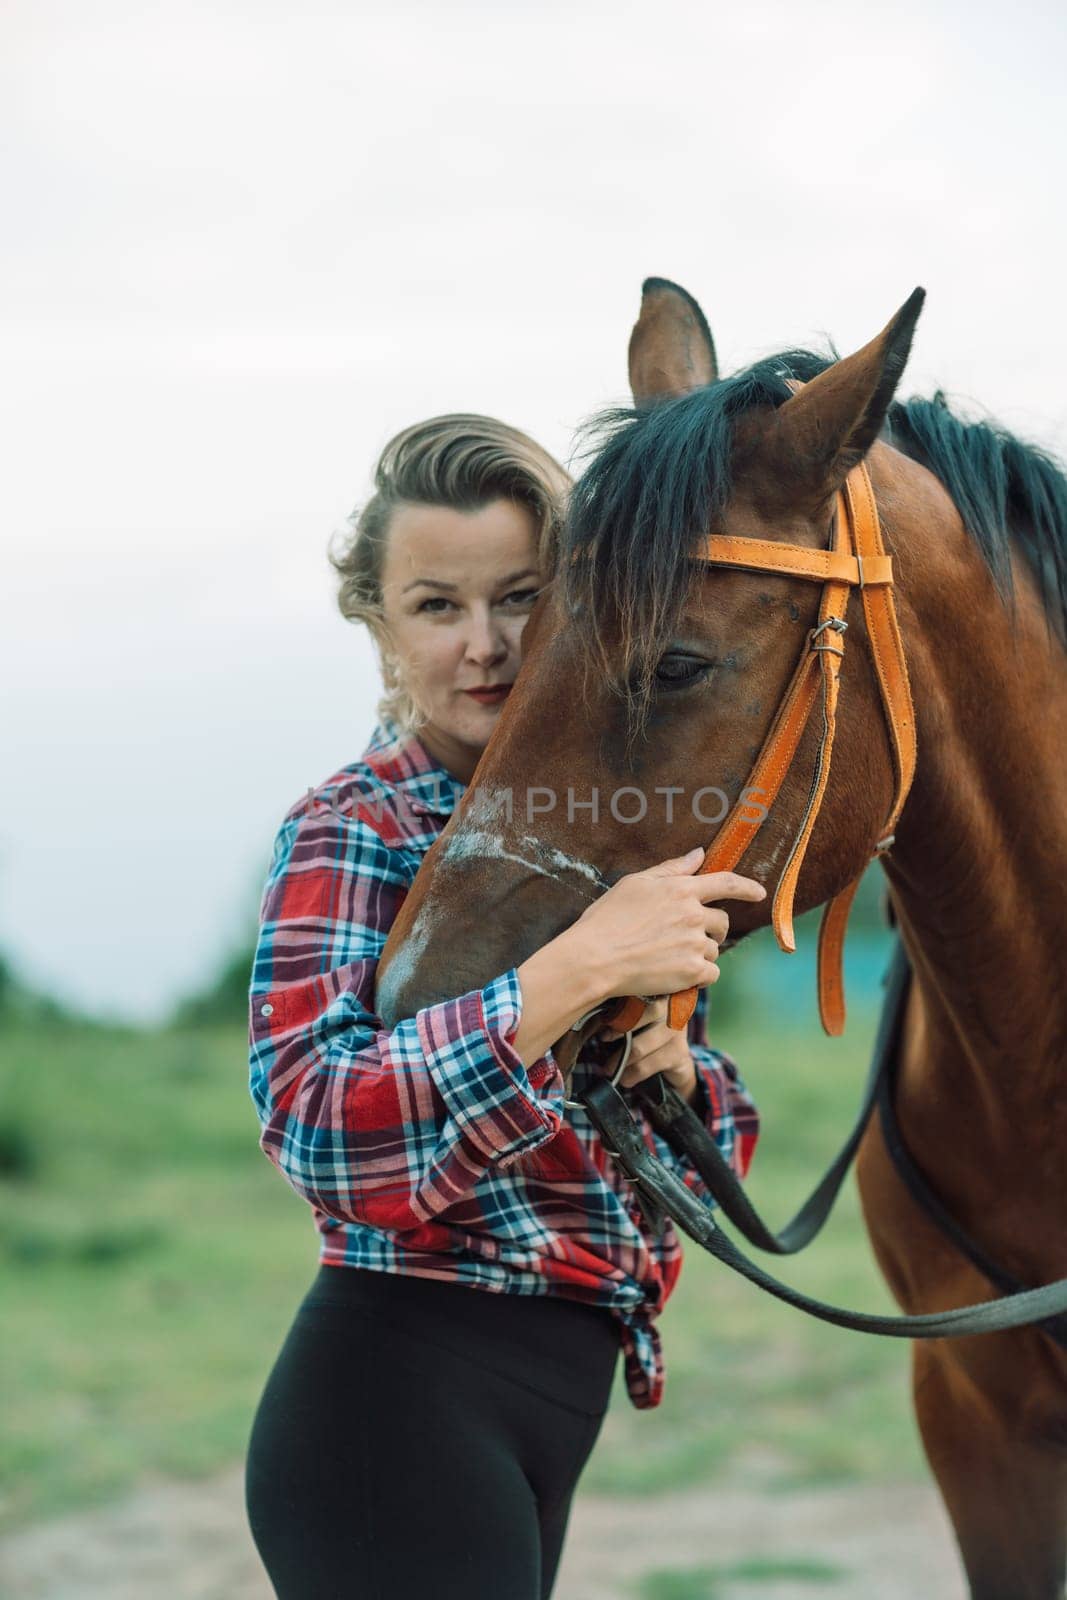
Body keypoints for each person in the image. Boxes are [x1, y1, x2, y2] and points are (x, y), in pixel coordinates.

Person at [244, 413, 764, 1600]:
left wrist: (671, 1065)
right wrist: (569, 974)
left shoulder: (606, 837)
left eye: (519, 597)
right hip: (393, 1409)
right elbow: (319, 1130)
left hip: (546, 1406)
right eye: (436, 605)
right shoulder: (357, 825)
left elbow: (702, 1174)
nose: (483, 645)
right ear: (378, 624)